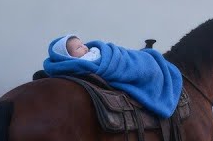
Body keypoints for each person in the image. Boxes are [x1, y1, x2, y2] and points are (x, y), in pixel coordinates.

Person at [41, 33, 183, 120]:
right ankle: (151, 68)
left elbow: (115, 54)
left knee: (146, 58)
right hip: (114, 64)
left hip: (116, 55)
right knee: (145, 67)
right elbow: (109, 65)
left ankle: (149, 60)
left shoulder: (94, 50)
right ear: (67, 57)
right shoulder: (82, 62)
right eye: (78, 48)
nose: (84, 47)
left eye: (82, 44)